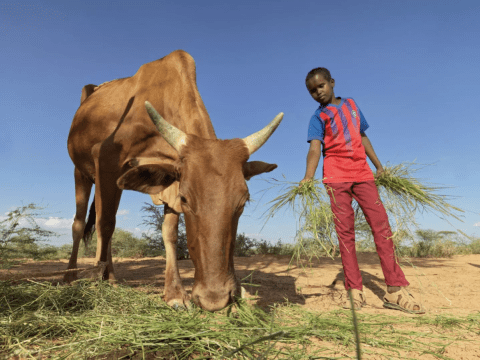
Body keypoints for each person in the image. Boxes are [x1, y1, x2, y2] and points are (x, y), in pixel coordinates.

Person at [300, 67, 424, 314]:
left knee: (382, 228)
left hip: (363, 175)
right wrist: (308, 177)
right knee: (345, 234)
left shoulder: (352, 105)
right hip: (335, 178)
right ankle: (355, 290)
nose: (318, 93)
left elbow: (362, 136)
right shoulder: (318, 118)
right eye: (312, 91)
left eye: (321, 86)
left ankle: (395, 290)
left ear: (332, 83)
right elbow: (315, 149)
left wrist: (378, 166)